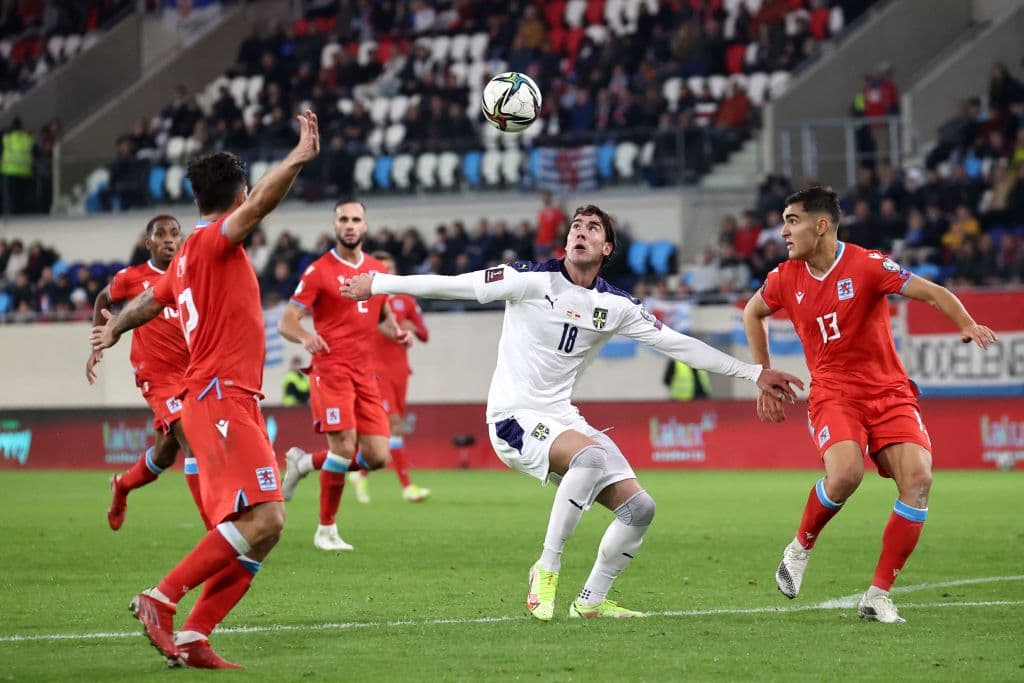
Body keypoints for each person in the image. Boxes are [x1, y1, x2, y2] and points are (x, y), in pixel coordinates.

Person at [343, 204, 803, 620]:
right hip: (512, 417)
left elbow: (678, 343)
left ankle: (593, 601)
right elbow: (455, 286)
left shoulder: (615, 305)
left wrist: (753, 372)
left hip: (561, 417)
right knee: (590, 458)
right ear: (566, 242)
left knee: (640, 509)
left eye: (592, 228)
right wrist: (379, 282)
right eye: (575, 227)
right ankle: (546, 568)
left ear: (607, 247)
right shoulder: (529, 280)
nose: (580, 232)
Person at [90, 111, 320, 668]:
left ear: (194, 203)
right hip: (219, 396)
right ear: (238, 193)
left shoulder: (187, 255)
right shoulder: (216, 241)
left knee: (264, 530)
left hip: (222, 397)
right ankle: (161, 598)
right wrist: (295, 158)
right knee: (264, 519)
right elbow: (261, 206)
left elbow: (151, 300)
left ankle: (194, 637)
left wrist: (116, 327)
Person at [742, 186, 997, 624]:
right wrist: (763, 375)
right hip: (834, 394)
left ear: (820, 226)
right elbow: (753, 313)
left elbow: (932, 292)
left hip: (890, 393)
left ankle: (878, 595)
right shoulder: (784, 277)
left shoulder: (867, 265)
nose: (783, 231)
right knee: (845, 474)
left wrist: (967, 323)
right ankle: (800, 547)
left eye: (792, 220)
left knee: (918, 480)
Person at [276, 199, 411, 551]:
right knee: (343, 447)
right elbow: (287, 320)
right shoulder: (318, 270)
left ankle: (303, 463)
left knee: (377, 456)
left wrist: (397, 332)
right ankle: (326, 529)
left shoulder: (377, 270)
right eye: (343, 220)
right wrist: (306, 336)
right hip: (330, 370)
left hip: (366, 375)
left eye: (356, 220)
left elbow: (381, 316)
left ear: (365, 226)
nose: (350, 225)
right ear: (335, 226)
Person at [86, 214, 208, 531]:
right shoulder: (132, 277)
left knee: (165, 455)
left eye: (174, 234)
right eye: (161, 234)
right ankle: (217, 530)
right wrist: (98, 341)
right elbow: (102, 297)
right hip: (156, 375)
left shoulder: (192, 274)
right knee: (194, 441)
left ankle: (122, 486)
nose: (169, 239)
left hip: (192, 372)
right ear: (148, 242)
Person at [347, 250, 432, 505]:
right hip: (376, 371)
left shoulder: (405, 300)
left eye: (389, 266)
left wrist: (411, 328)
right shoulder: (367, 300)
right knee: (393, 425)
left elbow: (425, 333)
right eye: (380, 268)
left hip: (400, 372)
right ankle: (407, 487)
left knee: (393, 428)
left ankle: (360, 471)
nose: (385, 271)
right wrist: (392, 328)